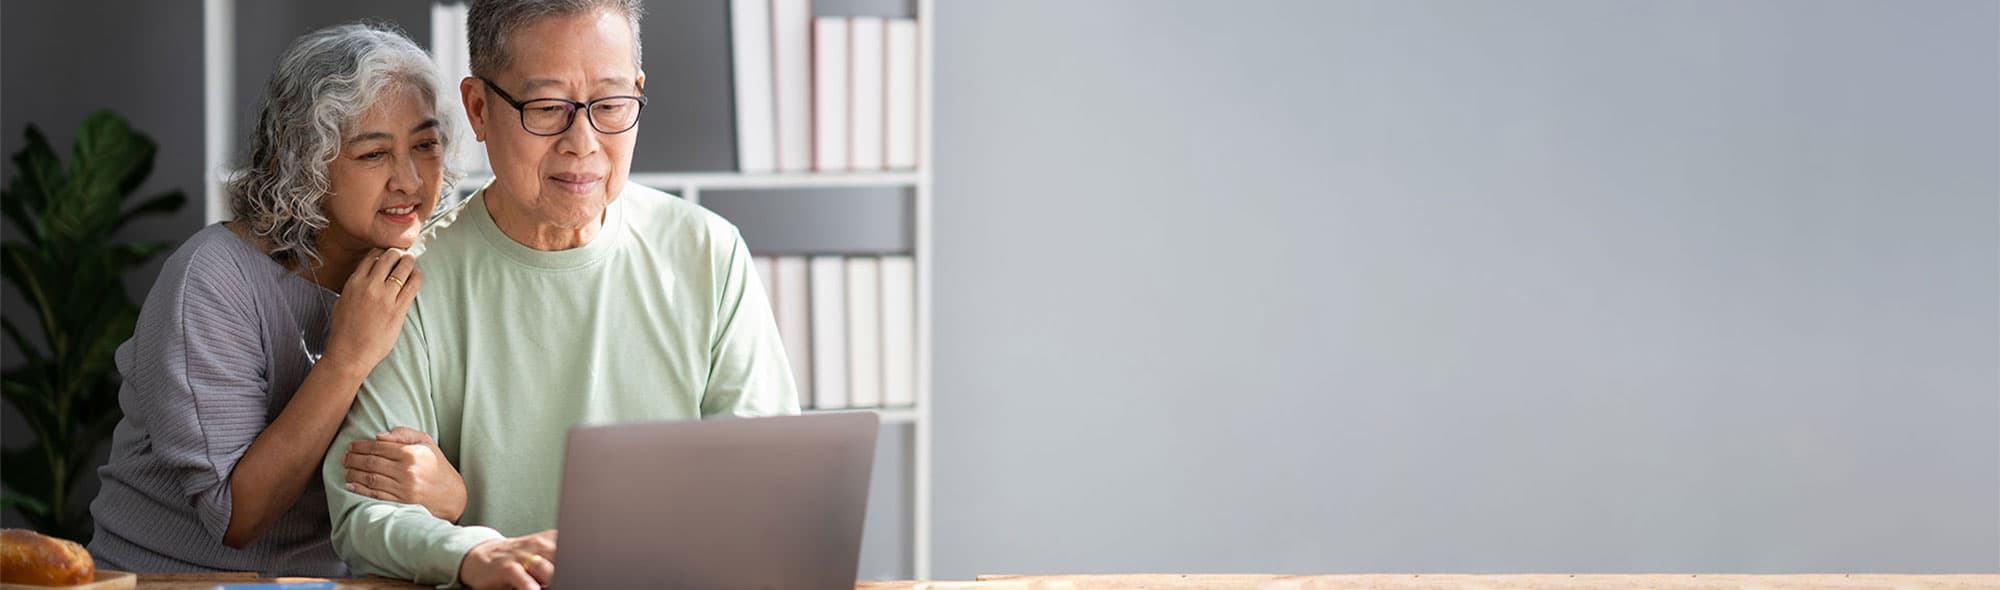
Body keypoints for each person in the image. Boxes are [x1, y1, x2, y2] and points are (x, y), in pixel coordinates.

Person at [321, 1, 800, 588]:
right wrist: (472, 555)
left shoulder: (709, 254)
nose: (584, 141)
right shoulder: (409, 283)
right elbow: (365, 513)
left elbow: (768, 487)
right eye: (548, 108)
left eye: (611, 104)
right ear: (478, 108)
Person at [88, 23, 473, 575]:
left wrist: (451, 498)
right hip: (171, 582)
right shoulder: (214, 278)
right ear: (305, 162)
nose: (410, 180)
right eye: (373, 155)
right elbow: (236, 517)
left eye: (425, 145)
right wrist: (347, 357)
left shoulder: (427, 271)